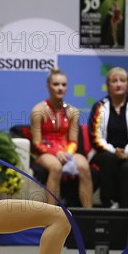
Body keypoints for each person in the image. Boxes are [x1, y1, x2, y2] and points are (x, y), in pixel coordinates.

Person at [88, 67, 128, 208]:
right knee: (110, 160)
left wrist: (127, 151)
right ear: (108, 85)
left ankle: (126, 208)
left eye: (122, 81)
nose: (118, 84)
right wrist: (114, 151)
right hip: (105, 151)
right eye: (114, 81)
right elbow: (95, 137)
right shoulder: (99, 106)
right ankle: (108, 203)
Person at [30, 68, 93, 208]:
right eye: (56, 84)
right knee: (56, 167)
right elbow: (37, 142)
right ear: (48, 86)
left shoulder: (73, 111)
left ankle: (89, 213)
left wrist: (69, 153)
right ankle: (51, 212)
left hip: (66, 151)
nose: (60, 88)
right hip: (44, 152)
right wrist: (55, 152)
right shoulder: (38, 111)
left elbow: (73, 140)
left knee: (83, 165)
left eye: (63, 85)